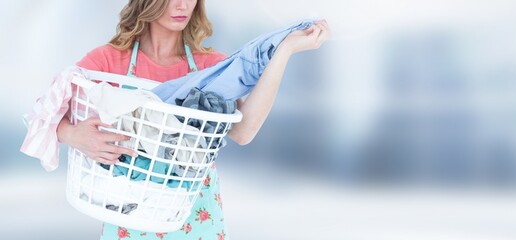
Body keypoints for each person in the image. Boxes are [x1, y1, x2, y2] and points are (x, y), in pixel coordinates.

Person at [56, 0, 330, 238]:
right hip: (129, 214)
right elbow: (46, 111)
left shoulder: (210, 68)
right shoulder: (109, 60)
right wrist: (72, 135)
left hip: (195, 215)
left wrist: (284, 51)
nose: (182, 5)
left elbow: (243, 132)